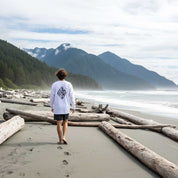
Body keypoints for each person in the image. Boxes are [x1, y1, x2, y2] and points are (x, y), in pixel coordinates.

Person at [50, 68, 75, 144]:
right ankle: (64, 136)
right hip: (66, 107)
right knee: (65, 122)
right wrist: (73, 106)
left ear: (57, 76)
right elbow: (72, 96)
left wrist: (51, 106)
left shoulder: (54, 84)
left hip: (58, 107)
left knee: (59, 123)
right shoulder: (69, 84)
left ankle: (60, 140)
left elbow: (52, 96)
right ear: (65, 76)